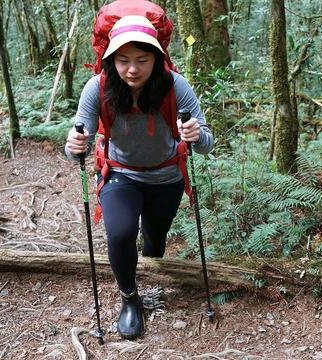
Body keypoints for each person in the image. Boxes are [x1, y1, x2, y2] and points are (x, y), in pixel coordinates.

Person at [64, 15, 214, 339]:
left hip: (166, 176)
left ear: (157, 58)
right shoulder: (99, 87)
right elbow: (79, 138)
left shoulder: (175, 85)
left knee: (155, 240)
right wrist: (74, 145)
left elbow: (206, 143)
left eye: (142, 60)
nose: (132, 69)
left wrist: (196, 135)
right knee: (120, 233)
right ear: (111, 59)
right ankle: (130, 299)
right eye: (123, 60)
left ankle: (152, 244)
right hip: (120, 173)